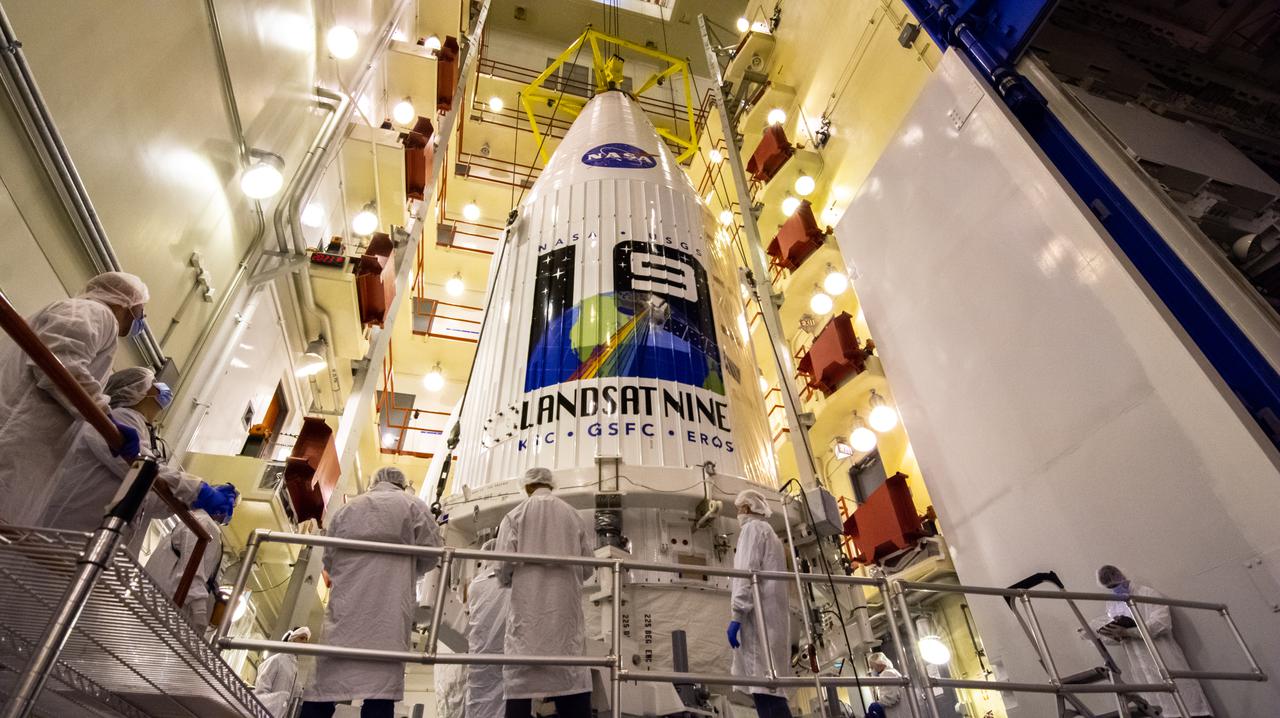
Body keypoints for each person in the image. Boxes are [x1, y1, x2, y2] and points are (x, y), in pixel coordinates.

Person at [0, 272, 150, 524]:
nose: (142, 319)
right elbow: (61, 361)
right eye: (141, 310)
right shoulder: (96, 313)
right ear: (126, 302)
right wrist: (106, 420)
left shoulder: (93, 317)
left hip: (22, 442)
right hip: (14, 436)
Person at [39, 367, 235, 552]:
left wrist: (191, 501)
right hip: (68, 531)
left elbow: (148, 499)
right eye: (154, 382)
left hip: (90, 539)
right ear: (136, 390)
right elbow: (137, 466)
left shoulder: (145, 432)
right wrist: (198, 489)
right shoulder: (120, 417)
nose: (161, 388)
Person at [300, 466, 442, 718]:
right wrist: (409, 568)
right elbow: (432, 554)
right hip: (388, 615)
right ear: (401, 484)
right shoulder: (414, 506)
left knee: (328, 683)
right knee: (381, 691)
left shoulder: (348, 509)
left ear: (375, 482)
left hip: (347, 611)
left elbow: (330, 559)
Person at [496, 467, 595, 718]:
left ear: (527, 487)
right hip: (564, 620)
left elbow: (502, 566)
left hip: (528, 622)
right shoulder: (573, 515)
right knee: (570, 678)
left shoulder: (514, 516)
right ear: (551, 485)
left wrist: (511, 579)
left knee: (520, 685)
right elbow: (587, 569)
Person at [1092, 565, 1213, 717]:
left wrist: (1130, 631)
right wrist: (1110, 634)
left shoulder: (1145, 594)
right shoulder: (1112, 604)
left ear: (1121, 576)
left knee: (1186, 702)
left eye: (1115, 585)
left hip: (1162, 655)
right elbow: (1116, 635)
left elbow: (1161, 623)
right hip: (1139, 664)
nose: (1115, 589)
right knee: (1157, 705)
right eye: (1110, 587)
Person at [727, 488, 793, 718]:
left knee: (764, 689)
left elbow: (746, 573)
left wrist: (736, 616)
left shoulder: (752, 530)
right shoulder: (771, 534)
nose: (738, 513)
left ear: (747, 508)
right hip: (770, 618)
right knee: (769, 689)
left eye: (739, 509)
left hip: (757, 620)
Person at [145, 498, 236, 629]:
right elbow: (192, 570)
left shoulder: (194, 519)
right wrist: (200, 613)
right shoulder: (205, 524)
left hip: (160, 603)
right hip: (173, 611)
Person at [466, 538, 510, 718]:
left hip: (480, 657)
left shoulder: (475, 585)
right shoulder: (510, 580)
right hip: (505, 652)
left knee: (479, 703)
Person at [255, 626, 312, 717]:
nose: (304, 642)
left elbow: (295, 696)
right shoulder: (277, 660)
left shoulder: (294, 669)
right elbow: (261, 689)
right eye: (301, 638)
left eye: (306, 639)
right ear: (292, 639)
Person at [866, 652, 904, 717]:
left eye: (872, 667)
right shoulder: (890, 672)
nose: (872, 670)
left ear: (880, 664)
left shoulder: (887, 674)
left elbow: (891, 697)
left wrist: (876, 705)